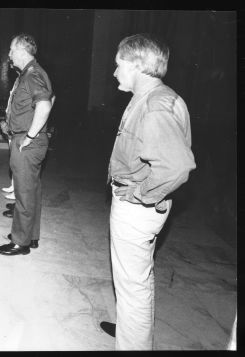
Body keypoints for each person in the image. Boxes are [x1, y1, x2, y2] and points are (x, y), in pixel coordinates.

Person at [100, 33, 196, 350]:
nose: (115, 72)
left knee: (133, 286)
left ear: (136, 65)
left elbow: (176, 167)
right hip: (142, 208)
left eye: (119, 65)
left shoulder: (155, 105)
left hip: (136, 210)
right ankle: (132, 330)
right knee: (137, 281)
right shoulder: (158, 97)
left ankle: (133, 343)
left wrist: (139, 193)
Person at [0, 34, 53, 256]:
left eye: (11, 50)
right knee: (32, 191)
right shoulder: (32, 73)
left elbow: (45, 105)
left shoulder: (32, 74)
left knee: (24, 193)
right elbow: (50, 98)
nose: (8, 55)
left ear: (21, 50)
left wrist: (29, 136)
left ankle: (20, 242)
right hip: (30, 140)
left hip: (27, 143)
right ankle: (30, 236)